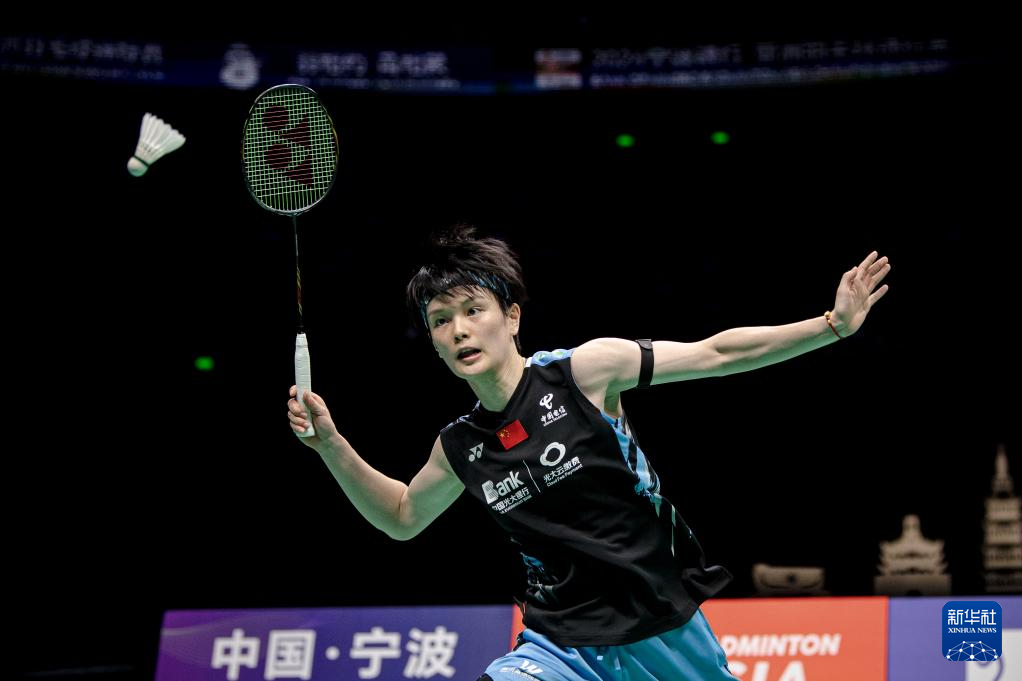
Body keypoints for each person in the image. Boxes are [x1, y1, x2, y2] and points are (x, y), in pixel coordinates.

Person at [286, 224, 891, 680]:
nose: (460, 329)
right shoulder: (460, 447)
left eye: (473, 310)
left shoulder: (584, 372)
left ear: (511, 317)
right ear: (435, 343)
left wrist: (830, 326)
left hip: (660, 623)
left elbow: (715, 353)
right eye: (441, 321)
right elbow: (402, 517)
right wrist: (331, 445)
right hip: (559, 643)